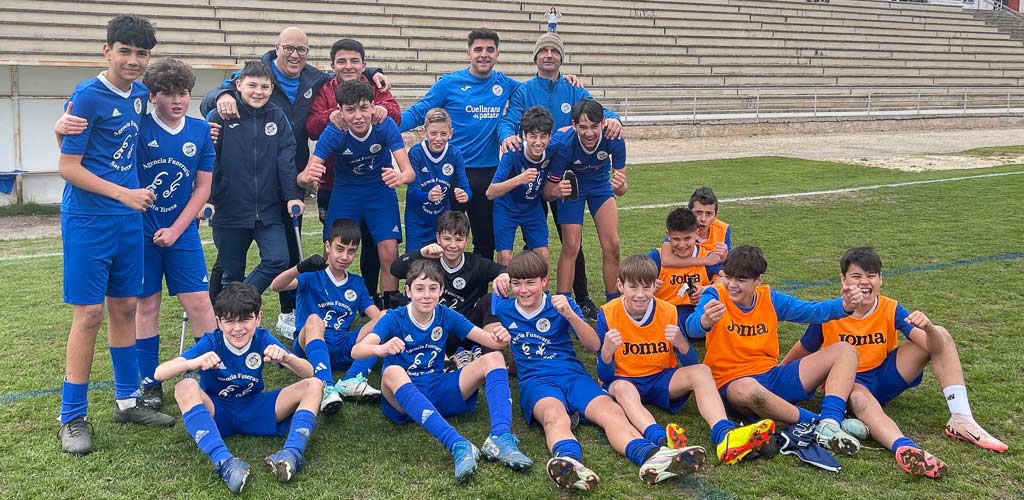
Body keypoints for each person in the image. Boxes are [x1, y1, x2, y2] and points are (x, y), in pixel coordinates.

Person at [201, 28, 389, 338]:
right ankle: (222, 315)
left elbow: (345, 71)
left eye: (301, 49)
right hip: (237, 190)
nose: (295, 55)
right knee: (228, 261)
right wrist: (221, 97)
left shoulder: (313, 77)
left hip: (284, 176)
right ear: (276, 48)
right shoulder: (256, 74)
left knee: (285, 250)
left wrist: (372, 71)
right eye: (288, 48)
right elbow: (217, 95)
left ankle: (281, 310)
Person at [54, 14, 173, 456]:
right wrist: (124, 193)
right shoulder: (87, 94)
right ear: (107, 51)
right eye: (125, 51)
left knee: (125, 307)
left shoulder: (140, 95)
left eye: (142, 53)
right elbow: (68, 167)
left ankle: (127, 402)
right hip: (89, 219)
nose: (133, 60)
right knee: (89, 314)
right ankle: (71, 417)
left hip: (127, 221)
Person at [487, 251, 705, 491]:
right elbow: (490, 336)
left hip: (574, 375)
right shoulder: (504, 308)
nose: (524, 290)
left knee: (611, 411)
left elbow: (593, 345)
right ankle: (569, 463)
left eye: (530, 282)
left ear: (544, 281)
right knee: (553, 415)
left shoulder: (561, 304)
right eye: (517, 284)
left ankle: (652, 456)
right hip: (537, 381)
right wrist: (500, 337)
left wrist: (570, 315)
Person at [780, 247, 1008, 477]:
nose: (864, 282)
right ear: (843, 280)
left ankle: (961, 418)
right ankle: (904, 447)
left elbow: (935, 347)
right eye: (856, 276)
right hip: (848, 385)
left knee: (940, 334)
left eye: (871, 275)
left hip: (884, 375)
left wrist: (929, 328)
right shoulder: (830, 312)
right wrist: (778, 375)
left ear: (880, 279)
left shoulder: (890, 308)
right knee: (860, 398)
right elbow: (804, 348)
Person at [350, 260, 532, 482]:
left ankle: (501, 437)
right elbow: (357, 351)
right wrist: (380, 348)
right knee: (392, 371)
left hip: (437, 386)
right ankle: (458, 444)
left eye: (433, 288)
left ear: (441, 290)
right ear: (408, 291)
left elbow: (490, 342)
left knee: (493, 358)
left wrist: (503, 337)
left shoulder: (446, 315)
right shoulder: (394, 318)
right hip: (403, 398)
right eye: (419, 288)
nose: (426, 295)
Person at [684, 245, 867, 458]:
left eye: (741, 280)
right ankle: (816, 423)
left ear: (758, 280)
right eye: (729, 277)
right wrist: (705, 320)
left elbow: (811, 311)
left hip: (772, 375)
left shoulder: (769, 298)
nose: (732, 285)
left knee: (846, 350)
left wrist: (845, 305)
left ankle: (831, 421)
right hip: (732, 382)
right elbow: (691, 327)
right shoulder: (714, 295)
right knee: (747, 389)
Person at [597, 255, 776, 465]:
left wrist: (682, 344)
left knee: (702, 371)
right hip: (626, 380)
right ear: (620, 286)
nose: (640, 294)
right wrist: (606, 353)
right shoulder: (608, 313)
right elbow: (604, 376)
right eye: (633, 287)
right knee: (621, 388)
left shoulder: (668, 310)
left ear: (655, 286)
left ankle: (724, 435)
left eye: (646, 287)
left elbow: (692, 364)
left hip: (661, 379)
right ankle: (661, 440)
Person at [497, 32, 622, 319]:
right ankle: (532, 298)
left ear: (561, 58)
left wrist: (614, 119)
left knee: (572, 242)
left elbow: (598, 111)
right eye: (544, 51)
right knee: (534, 238)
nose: (549, 55)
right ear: (535, 57)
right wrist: (507, 137)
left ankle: (581, 297)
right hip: (533, 172)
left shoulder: (573, 89)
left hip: (566, 175)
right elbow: (508, 121)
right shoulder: (524, 90)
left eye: (555, 51)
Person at [153, 283, 323, 493]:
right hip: (218, 412)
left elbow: (309, 372)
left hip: (255, 407)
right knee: (185, 385)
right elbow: (159, 373)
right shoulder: (212, 342)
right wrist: (193, 362)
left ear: (258, 318)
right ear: (219, 322)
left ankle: (291, 454)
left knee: (314, 385)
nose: (238, 328)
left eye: (245, 319)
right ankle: (225, 463)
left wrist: (287, 358)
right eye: (229, 321)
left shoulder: (262, 338)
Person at [133, 58, 218, 410]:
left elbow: (202, 189)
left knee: (200, 303)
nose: (178, 100)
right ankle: (149, 381)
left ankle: (212, 374)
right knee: (146, 305)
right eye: (168, 94)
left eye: (183, 93)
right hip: (140, 233)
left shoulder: (200, 131)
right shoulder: (138, 127)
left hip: (182, 233)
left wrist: (176, 229)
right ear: (153, 96)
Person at [399, 29, 521, 261]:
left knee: (485, 239)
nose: (484, 54)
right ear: (468, 53)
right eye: (478, 49)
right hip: (453, 173)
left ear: (497, 54)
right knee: (447, 236)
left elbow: (531, 91)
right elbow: (418, 112)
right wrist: (387, 129)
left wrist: (564, 80)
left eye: (490, 49)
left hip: (488, 173)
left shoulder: (504, 83)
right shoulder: (449, 83)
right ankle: (440, 280)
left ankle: (480, 282)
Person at [297, 80, 415, 310]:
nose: (358, 116)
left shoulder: (385, 125)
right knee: (333, 250)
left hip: (379, 191)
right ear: (340, 111)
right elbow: (304, 176)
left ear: (373, 106)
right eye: (350, 110)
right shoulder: (335, 131)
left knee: (389, 251)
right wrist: (307, 176)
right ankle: (328, 303)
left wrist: (400, 177)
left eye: (363, 108)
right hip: (346, 193)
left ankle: (388, 308)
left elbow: (409, 172)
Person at [306, 37, 402, 307]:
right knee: (338, 244)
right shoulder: (323, 88)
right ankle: (330, 300)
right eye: (342, 61)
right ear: (332, 65)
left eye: (354, 61)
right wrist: (331, 115)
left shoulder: (376, 86)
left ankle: (377, 300)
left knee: (378, 247)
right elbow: (311, 126)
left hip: (376, 185)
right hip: (335, 183)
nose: (348, 66)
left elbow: (394, 115)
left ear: (363, 64)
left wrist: (381, 110)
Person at [205, 61, 303, 298]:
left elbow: (286, 159)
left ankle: (237, 302)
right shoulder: (220, 115)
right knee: (231, 273)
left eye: (264, 87)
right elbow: (209, 162)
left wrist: (292, 196)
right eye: (252, 85)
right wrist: (208, 199)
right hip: (229, 211)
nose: (258, 91)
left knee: (278, 259)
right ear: (238, 85)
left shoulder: (277, 116)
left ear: (272, 89)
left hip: (268, 211)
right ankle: (232, 315)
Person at [270, 218, 386, 411]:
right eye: (339, 249)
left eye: (351, 251)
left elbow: (378, 317)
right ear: (327, 246)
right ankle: (326, 387)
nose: (345, 256)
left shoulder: (356, 283)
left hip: (343, 345)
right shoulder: (312, 275)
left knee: (386, 317)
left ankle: (351, 379)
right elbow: (276, 286)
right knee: (314, 320)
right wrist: (299, 268)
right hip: (309, 345)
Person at [391, 211, 509, 364]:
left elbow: (508, 271)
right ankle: (447, 359)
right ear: (438, 237)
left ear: (466, 240)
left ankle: (488, 356)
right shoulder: (428, 263)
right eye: (447, 238)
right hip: (435, 329)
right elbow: (395, 269)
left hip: (468, 331)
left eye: (459, 239)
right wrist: (420, 253)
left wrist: (504, 275)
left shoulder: (477, 263)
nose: (453, 245)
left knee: (491, 299)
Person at [544, 99, 627, 305]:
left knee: (612, 245)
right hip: (573, 188)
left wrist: (619, 186)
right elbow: (547, 193)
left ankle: (613, 303)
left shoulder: (614, 138)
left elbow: (622, 188)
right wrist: (557, 190)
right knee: (571, 245)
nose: (589, 133)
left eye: (594, 126)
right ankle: (564, 304)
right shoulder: (563, 143)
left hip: (600, 186)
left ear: (603, 123)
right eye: (583, 127)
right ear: (573, 125)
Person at [487, 106, 556, 265]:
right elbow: (490, 193)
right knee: (505, 256)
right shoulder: (513, 152)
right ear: (524, 135)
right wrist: (519, 179)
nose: (538, 142)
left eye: (543, 137)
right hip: (506, 208)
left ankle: (541, 283)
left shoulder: (552, 151)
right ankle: (503, 282)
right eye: (533, 136)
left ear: (550, 136)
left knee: (543, 254)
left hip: (532, 208)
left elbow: (569, 134)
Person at [648, 207, 721, 340]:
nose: (682, 245)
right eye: (676, 239)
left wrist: (705, 289)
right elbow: (634, 281)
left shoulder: (709, 257)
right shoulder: (656, 256)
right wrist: (648, 287)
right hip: (665, 312)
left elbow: (724, 282)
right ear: (667, 235)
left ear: (696, 234)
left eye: (687, 238)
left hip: (696, 312)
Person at [405, 108, 470, 253]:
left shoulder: (455, 154)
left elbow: (465, 188)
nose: (438, 138)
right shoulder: (416, 153)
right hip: (417, 221)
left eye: (443, 134)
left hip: (442, 221)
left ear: (451, 133)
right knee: (415, 262)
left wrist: (465, 195)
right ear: (424, 132)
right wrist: (427, 196)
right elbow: (412, 193)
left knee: (442, 261)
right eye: (433, 133)